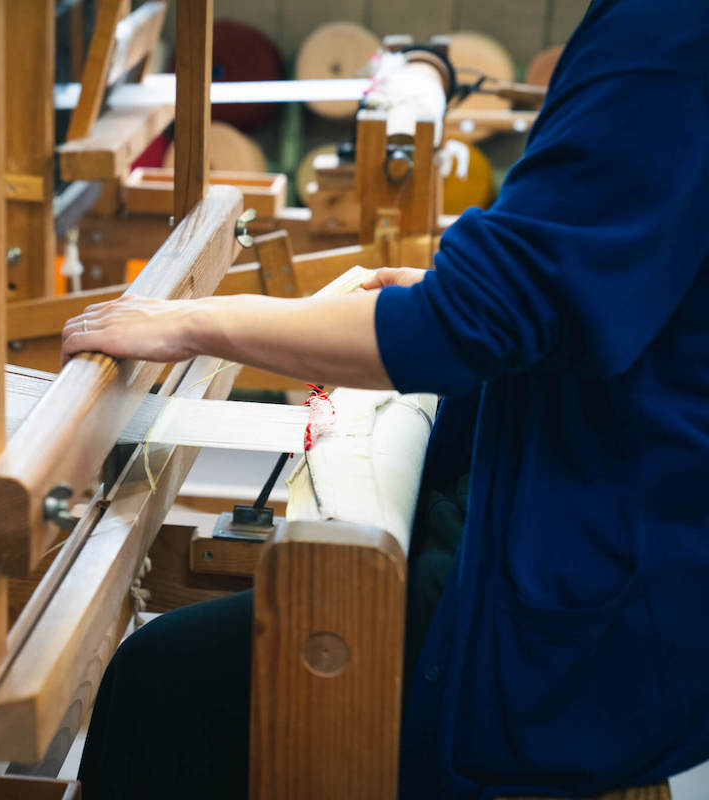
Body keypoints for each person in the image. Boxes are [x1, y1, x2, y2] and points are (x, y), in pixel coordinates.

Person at [63, 1, 709, 797]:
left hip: (601, 582)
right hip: (616, 513)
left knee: (159, 679)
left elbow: (471, 323)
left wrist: (192, 322)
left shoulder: (670, 29)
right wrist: (479, 293)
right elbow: (606, 272)